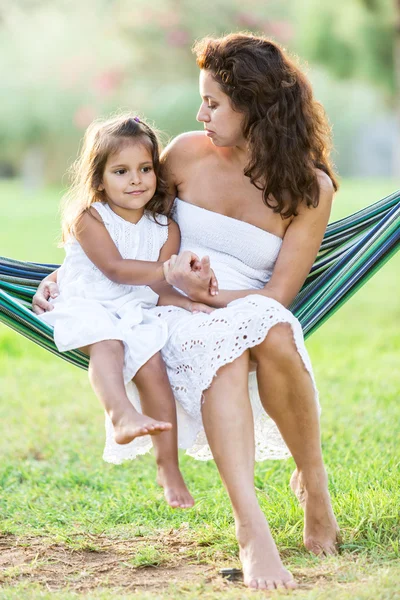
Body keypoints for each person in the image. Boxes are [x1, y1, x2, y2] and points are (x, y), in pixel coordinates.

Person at [33, 34, 341, 590]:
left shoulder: (309, 188)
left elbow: (278, 295)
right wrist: (73, 275)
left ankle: (312, 479)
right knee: (220, 348)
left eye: (215, 103)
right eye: (202, 100)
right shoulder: (184, 154)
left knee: (269, 328)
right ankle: (253, 531)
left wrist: (211, 296)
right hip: (167, 307)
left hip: (247, 303)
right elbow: (123, 223)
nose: (200, 113)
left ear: (258, 107)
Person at [37, 113, 214, 509]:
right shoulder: (89, 217)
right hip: (87, 303)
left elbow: (157, 286)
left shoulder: (165, 229)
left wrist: (185, 300)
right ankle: (120, 415)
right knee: (109, 344)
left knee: (152, 364)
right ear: (99, 179)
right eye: (121, 171)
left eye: (145, 168)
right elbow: (115, 269)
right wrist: (168, 270)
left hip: (135, 308)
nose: (136, 180)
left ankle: (168, 468)